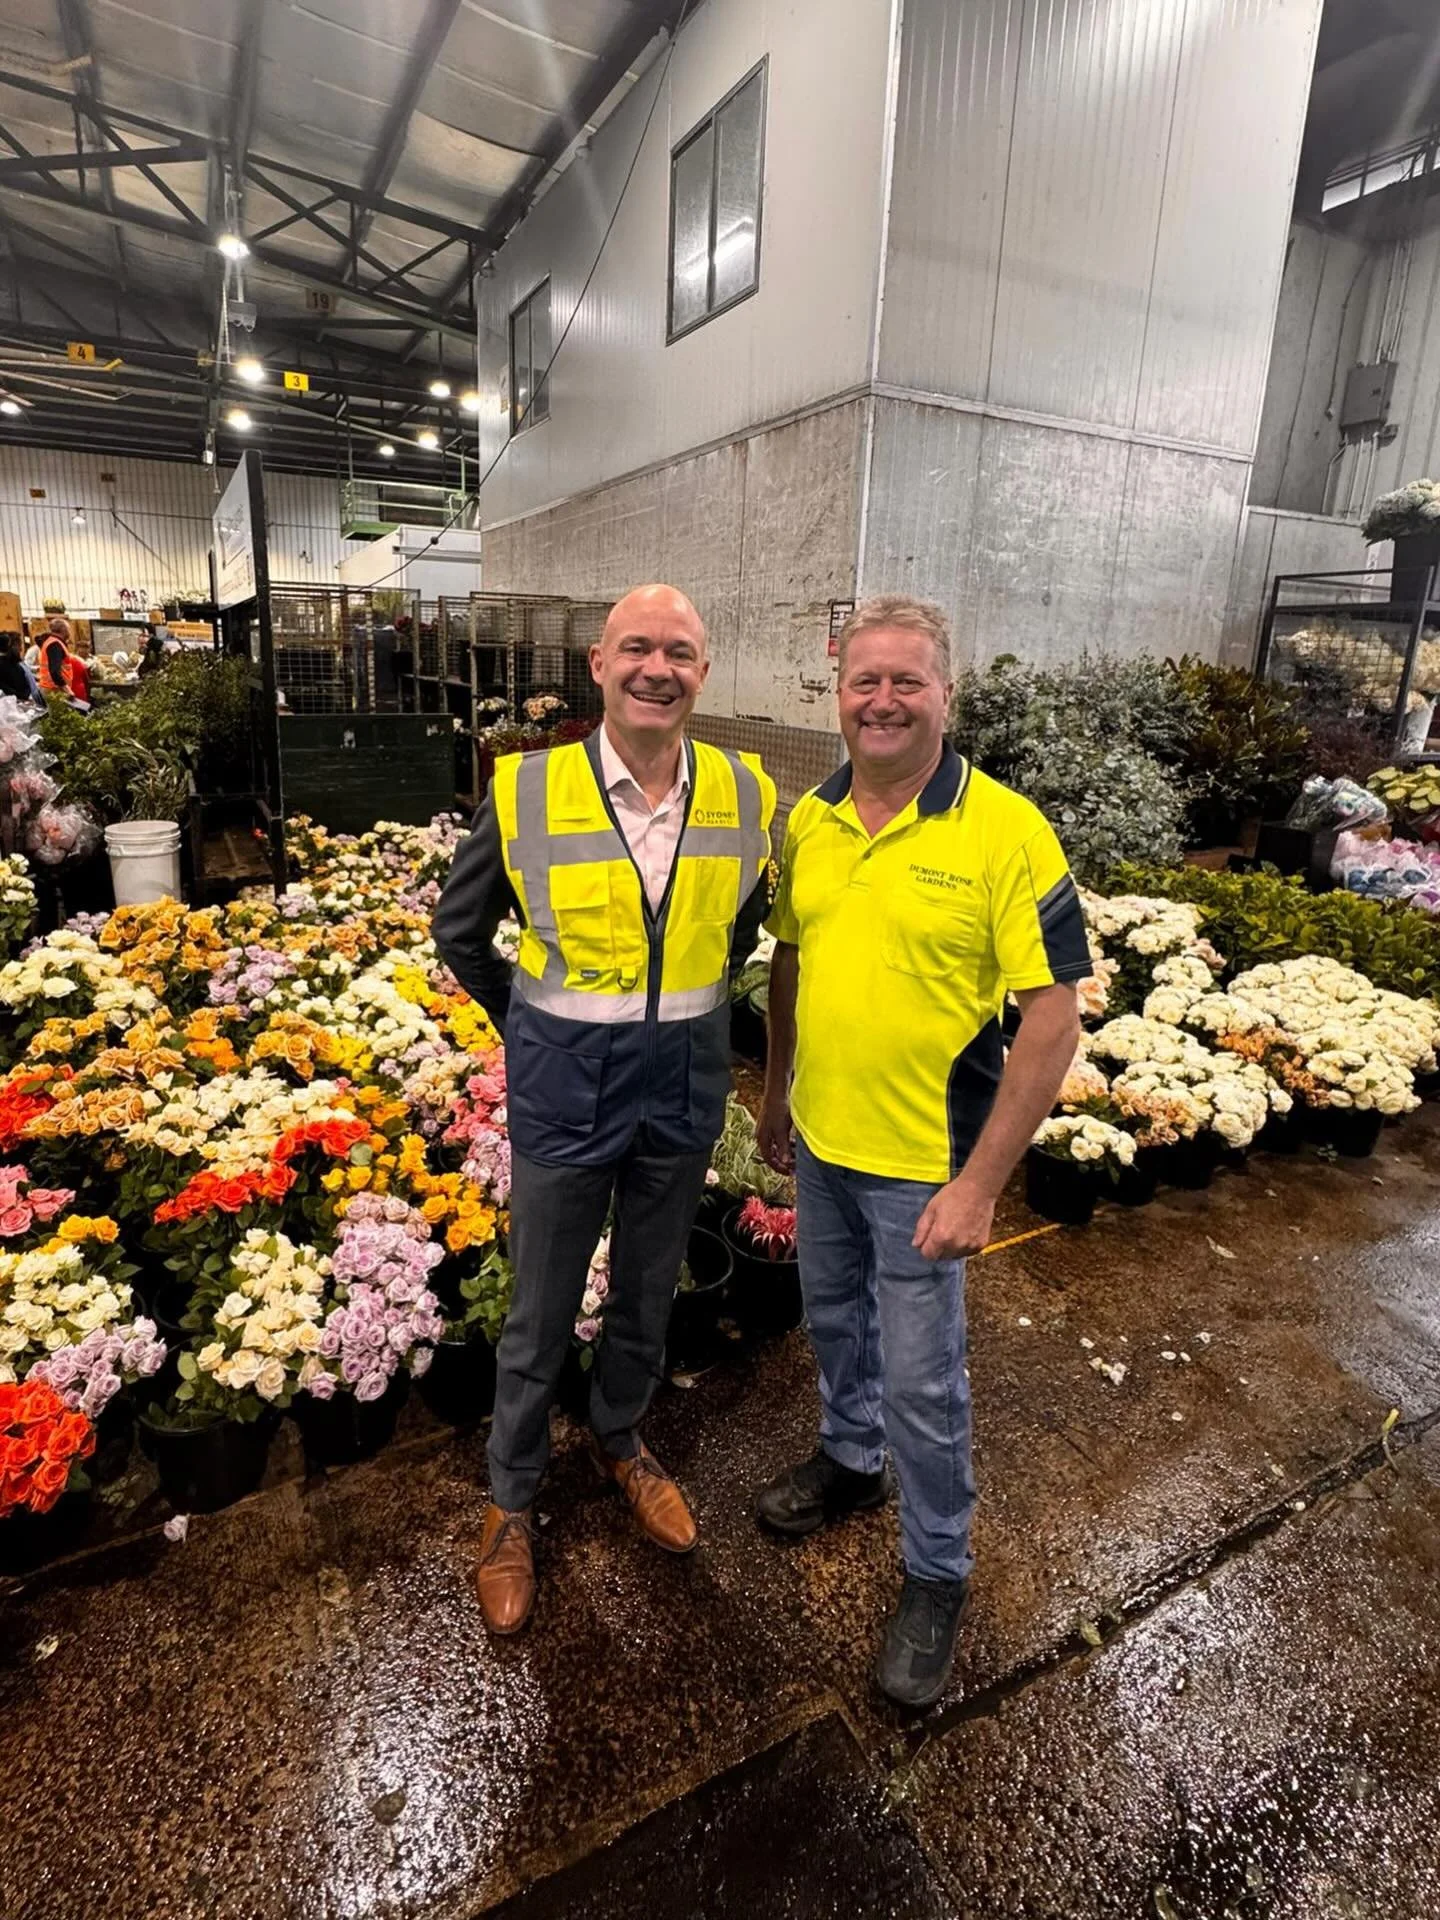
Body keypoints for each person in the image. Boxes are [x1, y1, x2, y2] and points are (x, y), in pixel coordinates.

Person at [755, 595, 1087, 1711]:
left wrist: (983, 1182)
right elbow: (791, 960)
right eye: (865, 680)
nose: (883, 700)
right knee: (834, 1326)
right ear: (837, 693)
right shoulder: (810, 819)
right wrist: (776, 1092)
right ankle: (850, 1462)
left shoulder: (1006, 831)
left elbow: (1053, 1020)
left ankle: (938, 1568)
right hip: (824, 1142)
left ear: (946, 693)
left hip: (924, 1167)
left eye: (908, 680)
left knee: (925, 1380)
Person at [433, 583, 776, 1636]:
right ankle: (511, 1498)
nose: (655, 669)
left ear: (702, 672)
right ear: (598, 664)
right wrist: (532, 1026)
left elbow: (740, 929)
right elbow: (460, 931)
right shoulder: (529, 790)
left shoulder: (743, 793)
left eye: (678, 651)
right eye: (636, 648)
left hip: (682, 1087)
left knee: (648, 1286)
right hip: (566, 1092)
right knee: (538, 1307)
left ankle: (622, 1440)